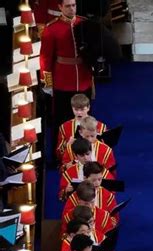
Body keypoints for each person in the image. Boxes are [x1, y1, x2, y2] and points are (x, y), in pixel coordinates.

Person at [39, 0, 93, 140]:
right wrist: (48, 82)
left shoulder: (84, 23)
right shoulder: (51, 28)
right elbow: (45, 58)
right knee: (63, 119)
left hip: (83, 77)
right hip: (63, 80)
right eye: (68, 6)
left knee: (84, 119)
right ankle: (62, 152)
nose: (71, 9)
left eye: (74, 5)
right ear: (60, 7)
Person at [56, 93, 107, 160]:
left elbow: (107, 151)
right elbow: (58, 155)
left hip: (95, 163)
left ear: (88, 108)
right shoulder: (64, 127)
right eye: (76, 110)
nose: (79, 113)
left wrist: (97, 141)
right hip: (74, 163)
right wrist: (68, 145)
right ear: (72, 108)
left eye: (82, 109)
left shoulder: (101, 126)